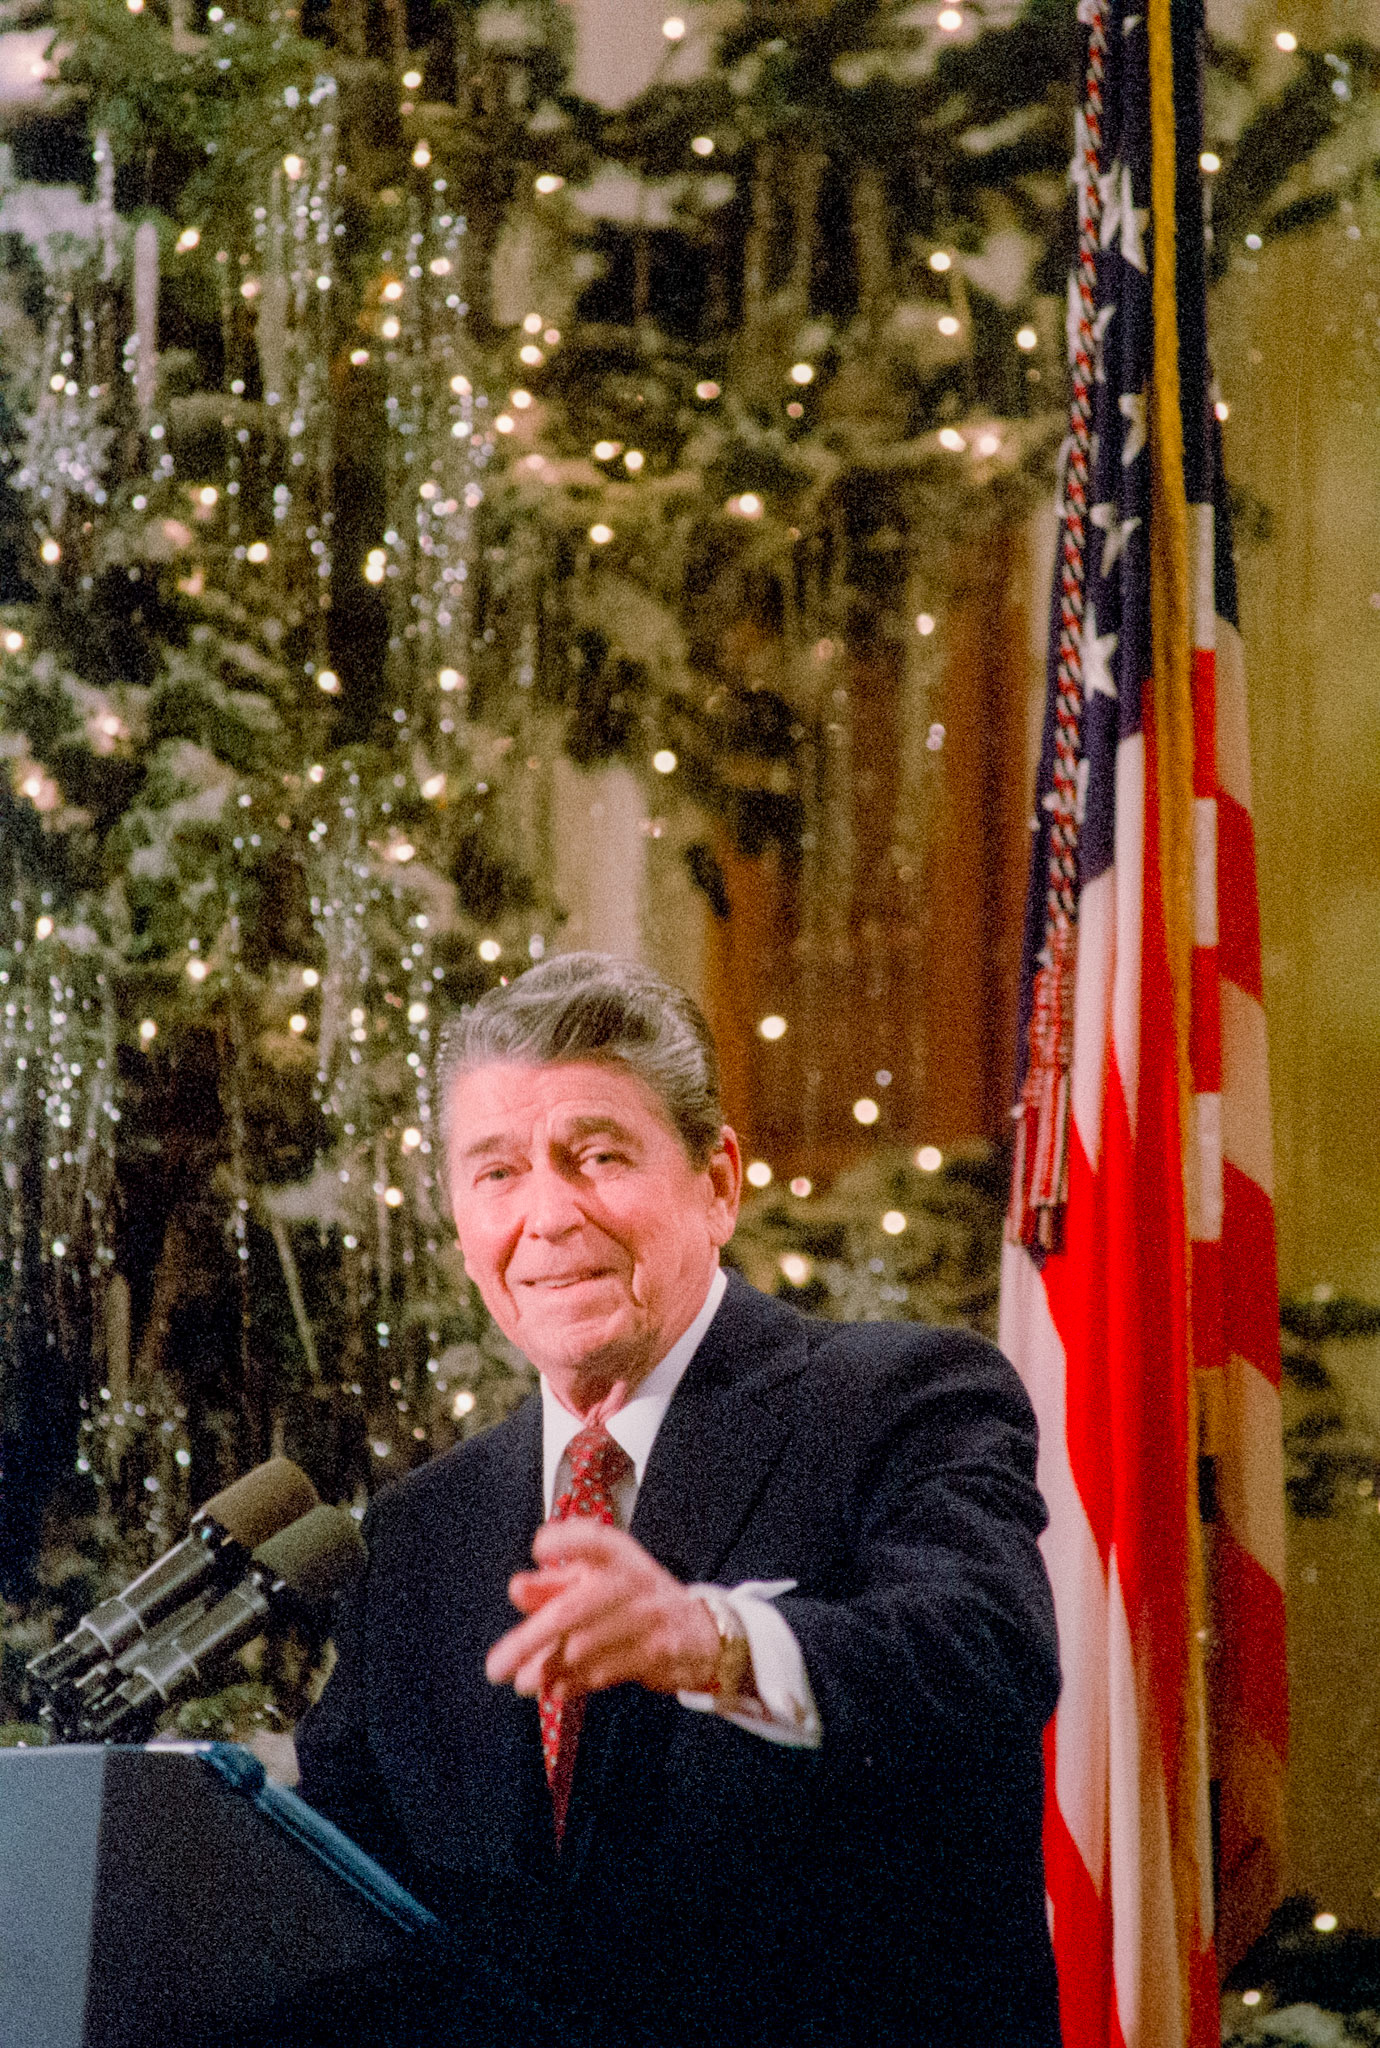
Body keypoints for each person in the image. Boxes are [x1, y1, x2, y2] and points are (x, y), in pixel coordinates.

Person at [294, 953, 1062, 2047]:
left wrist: (709, 1641)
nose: (547, 1215)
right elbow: (337, 1890)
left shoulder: (902, 1396)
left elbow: (987, 1656)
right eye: (497, 1172)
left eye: (598, 1156)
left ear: (718, 1184)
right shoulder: (422, 1528)